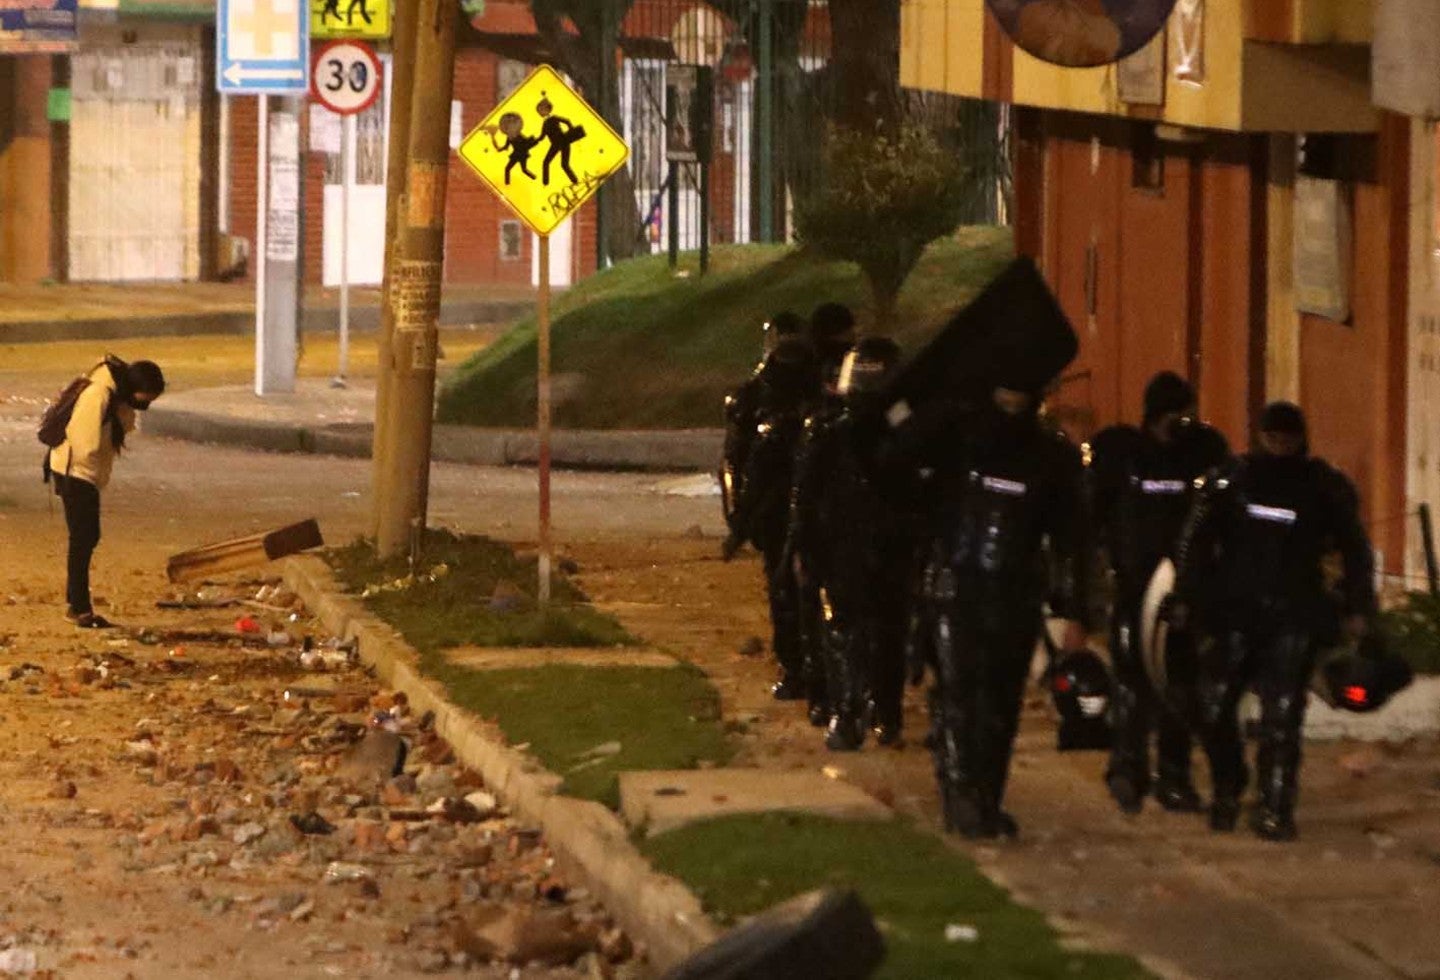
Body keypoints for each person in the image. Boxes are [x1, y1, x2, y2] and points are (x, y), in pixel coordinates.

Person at [1171, 402, 1375, 841]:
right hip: (1234, 612)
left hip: (1293, 615)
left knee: (1281, 716)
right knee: (1213, 706)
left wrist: (1358, 606)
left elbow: (1355, 548)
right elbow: (1195, 539)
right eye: (1273, 437)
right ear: (1260, 436)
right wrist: (1187, 594)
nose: (1280, 445)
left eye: (1288, 438)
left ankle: (1275, 807)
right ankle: (1229, 783)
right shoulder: (1232, 480)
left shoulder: (1322, 486)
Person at [904, 370, 1091, 838]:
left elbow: (1072, 539)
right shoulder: (956, 439)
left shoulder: (1050, 457)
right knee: (961, 693)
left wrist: (1074, 610)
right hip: (956, 586)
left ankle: (986, 797)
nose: (1011, 405)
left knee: (1000, 701)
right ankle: (961, 795)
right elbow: (909, 487)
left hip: (1014, 591)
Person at [1087, 371, 1230, 814]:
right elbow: (1094, 516)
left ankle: (1174, 777)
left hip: (1185, 591)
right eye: (1176, 414)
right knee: (1132, 680)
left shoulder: (1202, 454)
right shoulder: (1126, 455)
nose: (1182, 422)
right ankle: (1127, 770)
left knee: (1180, 685)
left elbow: (1218, 517)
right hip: (1134, 585)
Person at [786, 338, 905, 750]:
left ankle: (865, 713)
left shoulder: (895, 431)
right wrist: (804, 545)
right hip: (855, 546)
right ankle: (868, 712)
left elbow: (804, 497)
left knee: (863, 629)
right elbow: (805, 496)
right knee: (863, 629)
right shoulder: (834, 432)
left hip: (871, 546)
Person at [721, 316, 821, 701]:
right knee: (791, 590)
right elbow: (739, 462)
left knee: (793, 591)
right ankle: (801, 668)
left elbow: (742, 463)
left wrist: (740, 524)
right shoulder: (762, 397)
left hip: (801, 510)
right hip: (785, 511)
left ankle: (802, 668)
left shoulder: (812, 400)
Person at [47, 355, 165, 629]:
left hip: (81, 473)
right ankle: (79, 608)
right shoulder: (99, 394)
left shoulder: (114, 394)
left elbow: (123, 427)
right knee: (84, 537)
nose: (146, 403)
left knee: (85, 537)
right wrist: (92, 463)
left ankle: (75, 601)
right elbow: (84, 441)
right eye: (146, 396)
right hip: (75, 472)